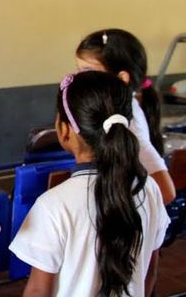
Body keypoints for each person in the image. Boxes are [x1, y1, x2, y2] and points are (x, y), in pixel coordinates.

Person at [10, 71, 170, 297]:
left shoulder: (54, 205)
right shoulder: (149, 189)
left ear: (64, 130)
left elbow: (38, 291)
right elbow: (150, 272)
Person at [75, 29, 176, 204]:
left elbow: (166, 192)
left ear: (122, 78)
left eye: (88, 71)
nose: (79, 79)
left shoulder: (128, 122)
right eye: (78, 70)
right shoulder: (116, 112)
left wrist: (118, 211)